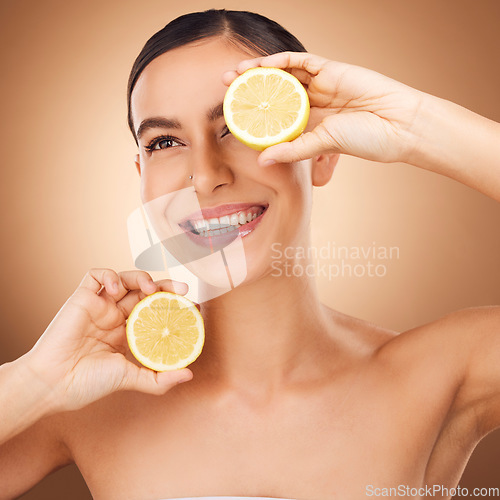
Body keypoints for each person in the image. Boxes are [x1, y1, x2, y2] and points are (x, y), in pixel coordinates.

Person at [1, 8, 500, 500]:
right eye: (166, 141)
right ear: (141, 178)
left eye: (237, 128)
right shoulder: (87, 397)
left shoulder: (438, 375)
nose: (205, 174)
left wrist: (412, 124)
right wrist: (34, 381)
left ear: (321, 152)